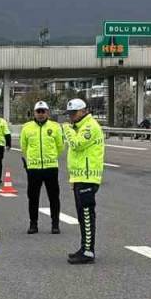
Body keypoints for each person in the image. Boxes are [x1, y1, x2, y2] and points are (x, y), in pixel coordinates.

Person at [61, 98, 104, 265]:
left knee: (86, 215)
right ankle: (84, 247)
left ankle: (88, 251)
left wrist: (67, 130)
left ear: (84, 111)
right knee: (81, 215)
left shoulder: (89, 126)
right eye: (69, 114)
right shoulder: (79, 127)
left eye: (74, 113)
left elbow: (77, 144)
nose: (71, 117)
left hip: (88, 177)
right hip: (80, 177)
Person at [18, 101, 65, 235]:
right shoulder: (27, 128)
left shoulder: (55, 127)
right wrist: (32, 160)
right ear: (34, 113)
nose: (41, 114)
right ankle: (33, 224)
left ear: (47, 112)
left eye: (43, 111)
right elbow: (24, 146)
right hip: (34, 168)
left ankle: (55, 224)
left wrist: (51, 157)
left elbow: (60, 146)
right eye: (38, 111)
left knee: (54, 197)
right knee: (33, 198)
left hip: (50, 167)